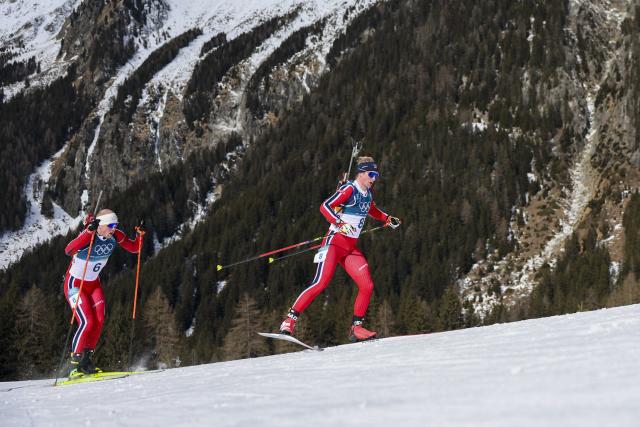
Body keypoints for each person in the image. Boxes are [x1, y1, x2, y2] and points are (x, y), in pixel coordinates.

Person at [279, 156, 401, 342]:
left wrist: (387, 218)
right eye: (371, 174)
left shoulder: (367, 193)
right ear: (361, 173)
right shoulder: (349, 189)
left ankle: (356, 328)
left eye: (376, 174)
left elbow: (371, 210)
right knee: (320, 283)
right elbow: (325, 207)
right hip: (334, 243)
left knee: (367, 285)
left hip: (350, 249)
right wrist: (339, 222)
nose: (374, 178)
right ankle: (289, 320)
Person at [63, 208, 143, 376]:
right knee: (87, 322)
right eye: (111, 225)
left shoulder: (115, 235)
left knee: (98, 320)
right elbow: (69, 250)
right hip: (75, 284)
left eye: (115, 225)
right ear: (100, 225)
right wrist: (88, 232)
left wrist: (140, 236)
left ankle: (86, 362)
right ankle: (74, 365)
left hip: (93, 285)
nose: (114, 229)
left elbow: (135, 248)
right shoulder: (89, 236)